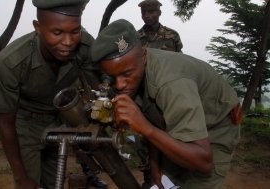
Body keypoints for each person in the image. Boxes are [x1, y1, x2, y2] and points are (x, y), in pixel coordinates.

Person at [91, 19, 241, 189]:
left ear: (144, 56)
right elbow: (157, 119)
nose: (119, 85)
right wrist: (156, 167)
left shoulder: (171, 83)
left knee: (198, 181)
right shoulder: (134, 75)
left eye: (126, 74)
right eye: (112, 78)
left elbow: (203, 161)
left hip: (214, 126)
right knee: (166, 181)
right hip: (175, 122)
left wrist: (144, 127)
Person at [0, 0, 106, 188]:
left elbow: (99, 86)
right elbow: (5, 121)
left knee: (53, 180)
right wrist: (20, 177)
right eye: (57, 32)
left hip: (59, 119)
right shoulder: (11, 62)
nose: (68, 42)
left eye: (75, 31)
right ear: (38, 27)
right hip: (25, 124)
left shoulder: (85, 47)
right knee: (30, 181)